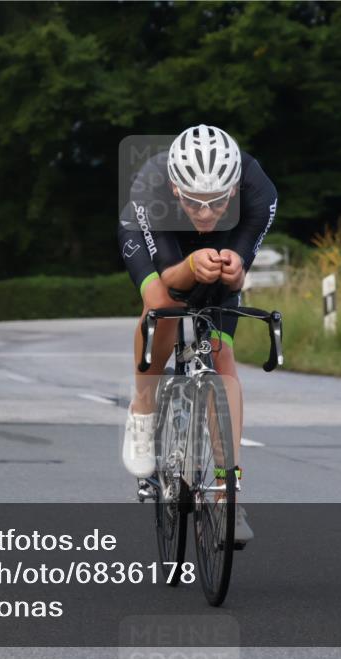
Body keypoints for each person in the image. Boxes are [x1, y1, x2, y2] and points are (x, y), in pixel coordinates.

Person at [117, 125, 278, 543]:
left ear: (234, 189)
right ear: (175, 187)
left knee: (222, 355)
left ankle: (228, 497)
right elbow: (171, 277)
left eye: (217, 202)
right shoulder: (151, 187)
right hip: (160, 235)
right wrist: (189, 268)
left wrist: (235, 263)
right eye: (194, 202)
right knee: (161, 305)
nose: (205, 213)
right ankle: (143, 406)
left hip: (225, 241)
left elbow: (241, 263)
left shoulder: (258, 189)